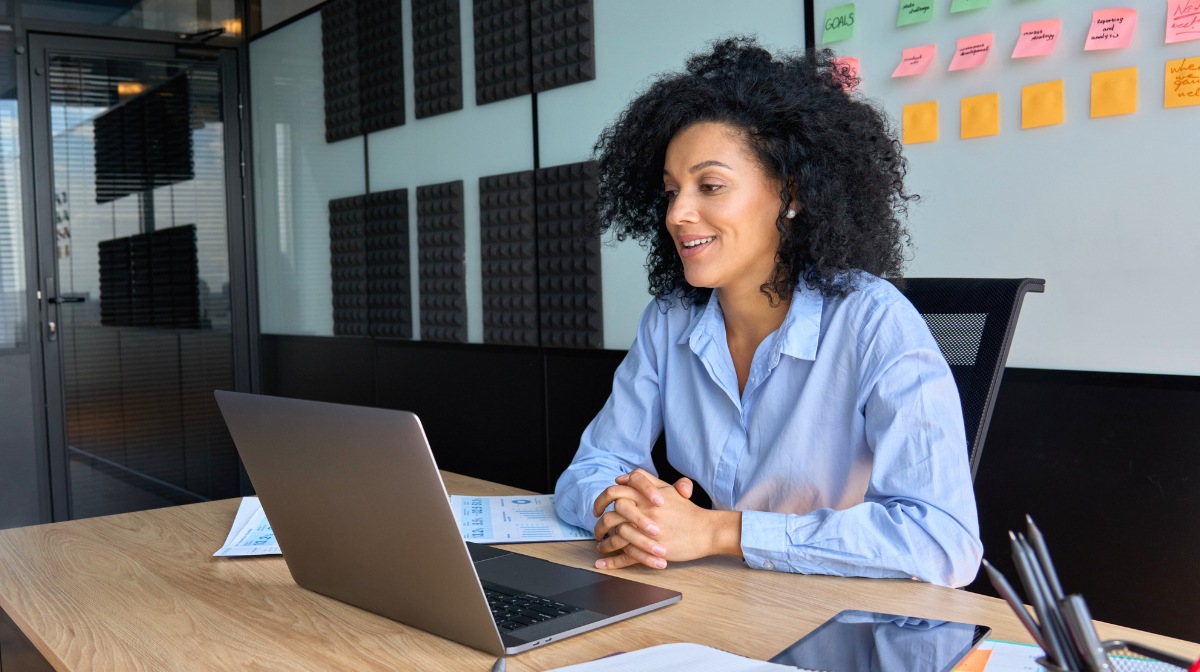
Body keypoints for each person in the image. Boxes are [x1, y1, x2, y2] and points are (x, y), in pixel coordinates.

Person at [552, 37, 983, 588]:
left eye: (710, 186)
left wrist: (720, 533)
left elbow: (943, 540)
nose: (679, 214)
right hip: (733, 597)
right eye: (670, 191)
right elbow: (589, 469)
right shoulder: (670, 320)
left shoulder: (874, 321)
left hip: (844, 616)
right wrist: (622, 511)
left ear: (791, 194)